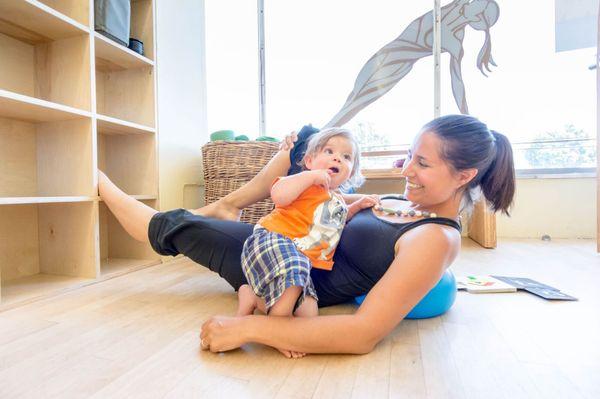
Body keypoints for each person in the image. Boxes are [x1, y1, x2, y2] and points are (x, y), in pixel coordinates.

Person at [98, 114, 515, 357]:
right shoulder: (401, 201)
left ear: (464, 175)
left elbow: (361, 334)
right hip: (283, 242)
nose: (405, 169)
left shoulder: (436, 239)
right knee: (312, 130)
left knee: (175, 226)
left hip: (291, 275)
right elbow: (329, 211)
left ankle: (101, 184)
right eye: (410, 156)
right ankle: (230, 202)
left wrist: (246, 330)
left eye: (422, 163)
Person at [237, 128, 377, 358]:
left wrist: (357, 206)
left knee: (308, 314)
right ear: (310, 161)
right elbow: (279, 196)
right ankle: (277, 333)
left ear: (350, 173)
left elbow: (336, 221)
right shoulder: (305, 182)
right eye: (329, 151)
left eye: (346, 157)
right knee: (294, 274)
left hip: (300, 260)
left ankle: (253, 298)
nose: (337, 158)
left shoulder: (337, 201)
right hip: (272, 239)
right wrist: (310, 177)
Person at [325, 0, 500, 127]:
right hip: (385, 54)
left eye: (480, 3)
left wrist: (467, 117)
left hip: (395, 67)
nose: (473, 2)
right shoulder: (448, 8)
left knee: (357, 102)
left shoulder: (455, 41)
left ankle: (316, 141)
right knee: (352, 98)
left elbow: (457, 81)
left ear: (479, 18)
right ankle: (316, 140)